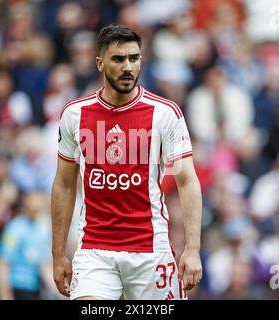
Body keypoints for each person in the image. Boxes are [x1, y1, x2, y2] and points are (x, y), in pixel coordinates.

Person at [51, 24, 203, 300]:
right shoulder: (74, 115)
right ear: (100, 63)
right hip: (95, 249)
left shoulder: (165, 114)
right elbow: (63, 184)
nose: (127, 67)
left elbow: (187, 180)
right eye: (118, 59)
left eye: (133, 59)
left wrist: (192, 249)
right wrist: (58, 253)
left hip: (150, 249)